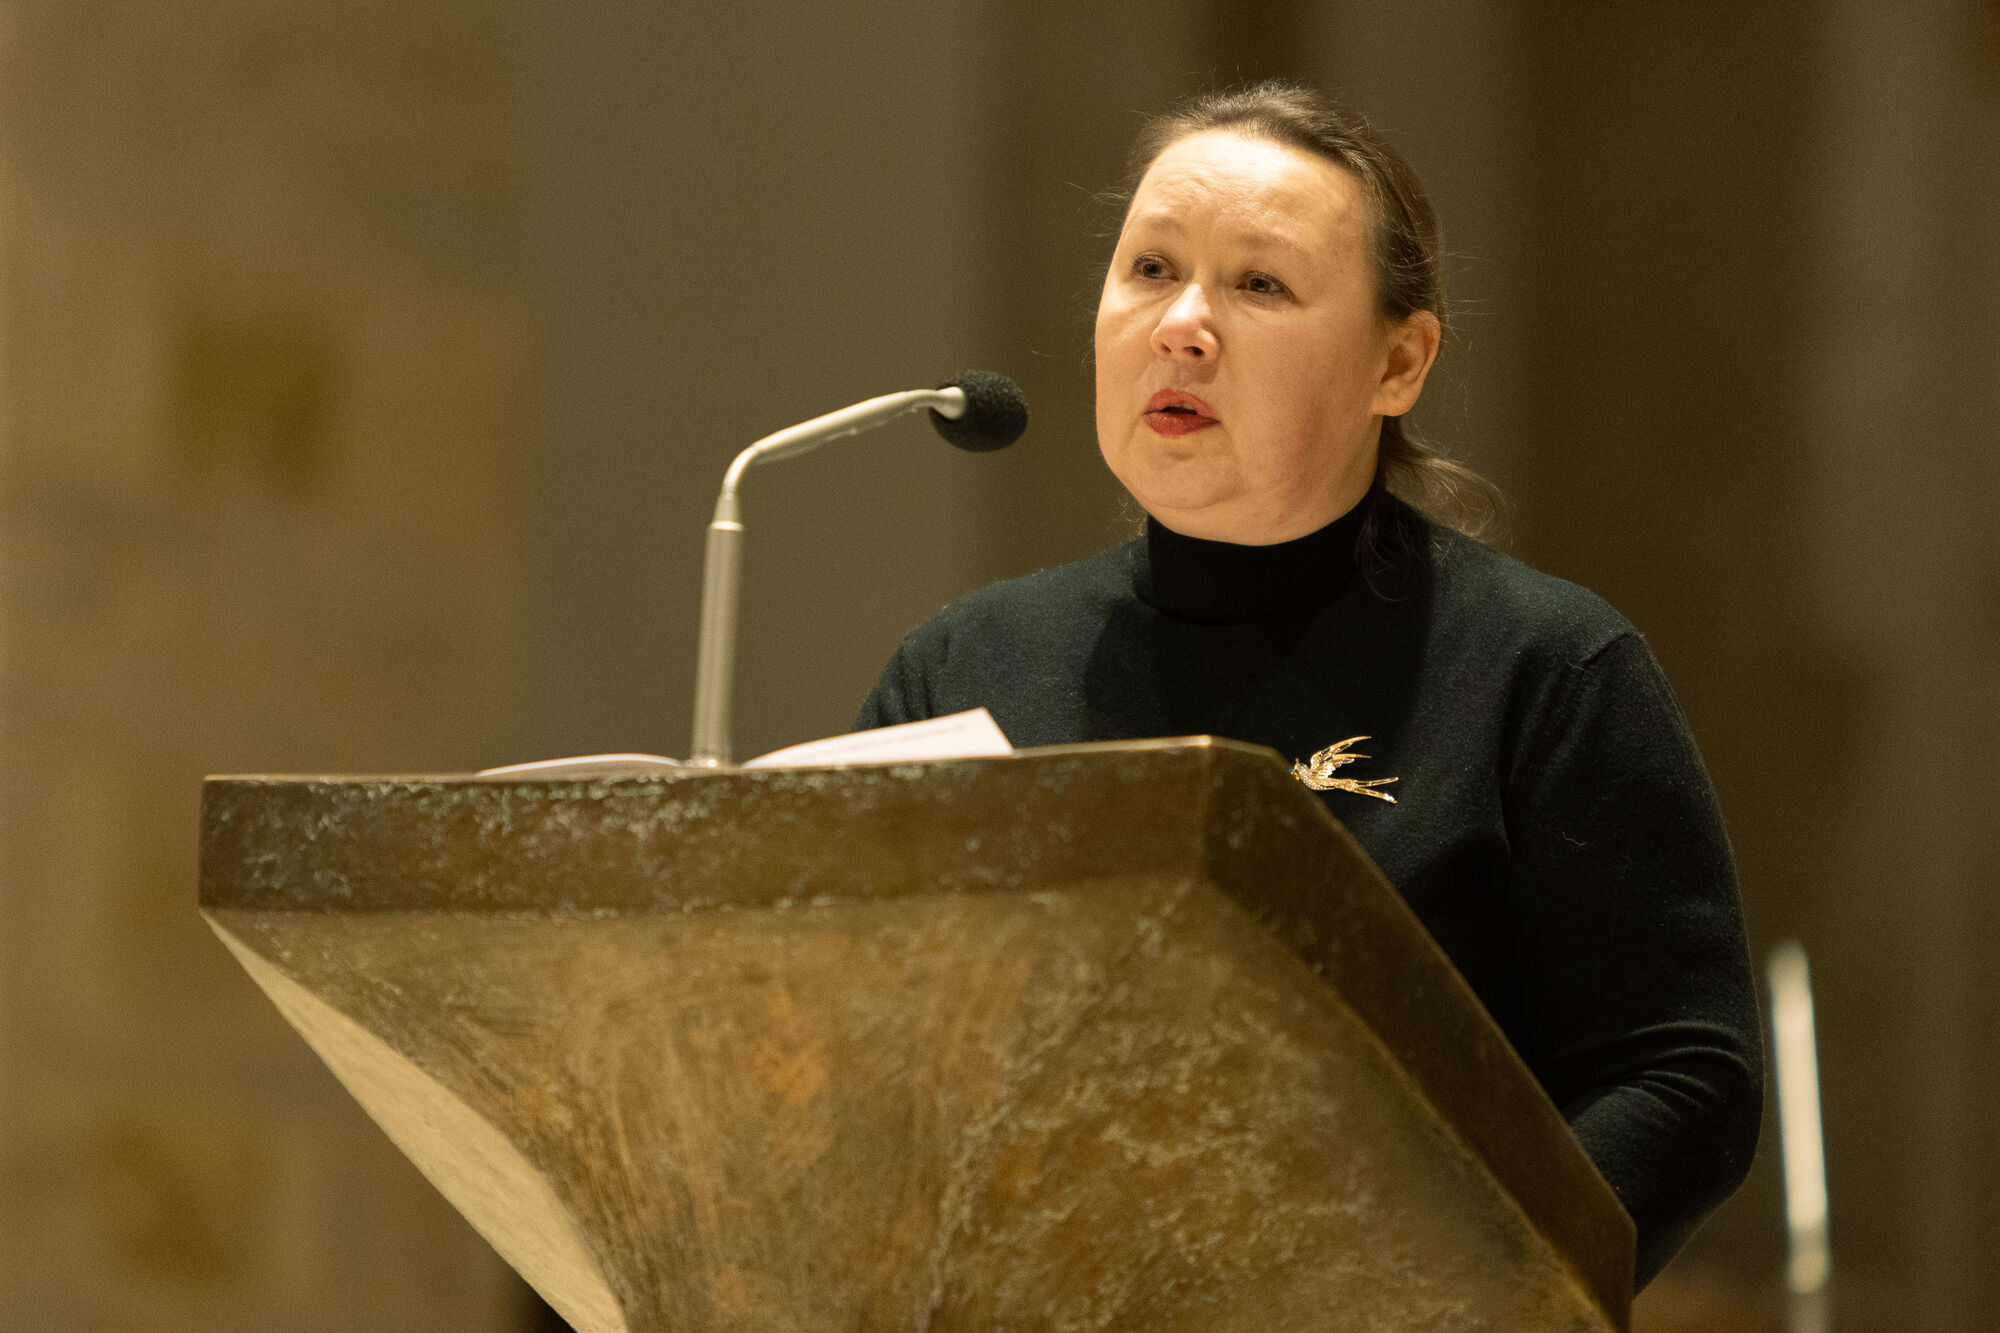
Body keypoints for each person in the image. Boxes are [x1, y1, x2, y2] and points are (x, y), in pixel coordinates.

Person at [857, 83, 1761, 1290]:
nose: (1182, 325)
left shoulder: (1542, 668)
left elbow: (1680, 1080)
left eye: (1259, 284)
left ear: (1398, 361)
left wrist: (1439, 1294)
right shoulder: (959, 669)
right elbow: (857, 1063)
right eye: (1149, 269)